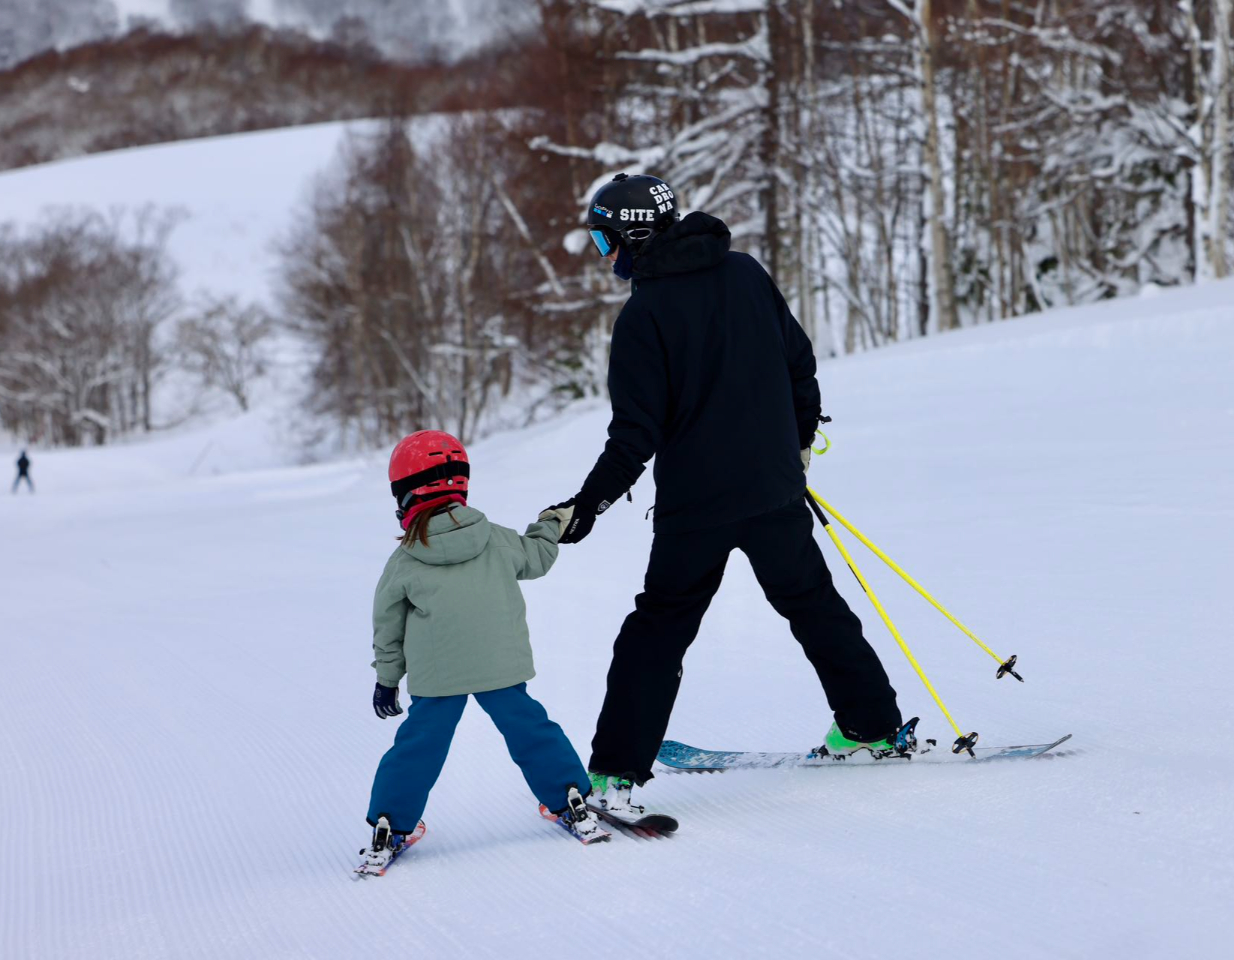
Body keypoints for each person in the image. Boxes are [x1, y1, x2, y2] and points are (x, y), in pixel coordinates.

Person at [548, 173, 913, 824]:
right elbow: (799, 365)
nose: (603, 254)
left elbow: (635, 435)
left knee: (657, 631)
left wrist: (588, 502)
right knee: (814, 606)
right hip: (773, 490)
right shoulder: (744, 273)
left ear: (633, 235)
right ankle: (873, 727)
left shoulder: (644, 317)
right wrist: (797, 448)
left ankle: (612, 776)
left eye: (604, 238)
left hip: (698, 509)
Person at [361, 429, 606, 871]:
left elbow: (388, 627)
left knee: (419, 746)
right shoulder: (495, 537)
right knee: (531, 729)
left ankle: (390, 824)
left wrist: (386, 679)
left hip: (440, 677)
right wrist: (550, 523)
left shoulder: (405, 560)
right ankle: (569, 797)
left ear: (405, 493)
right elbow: (538, 558)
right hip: (501, 667)